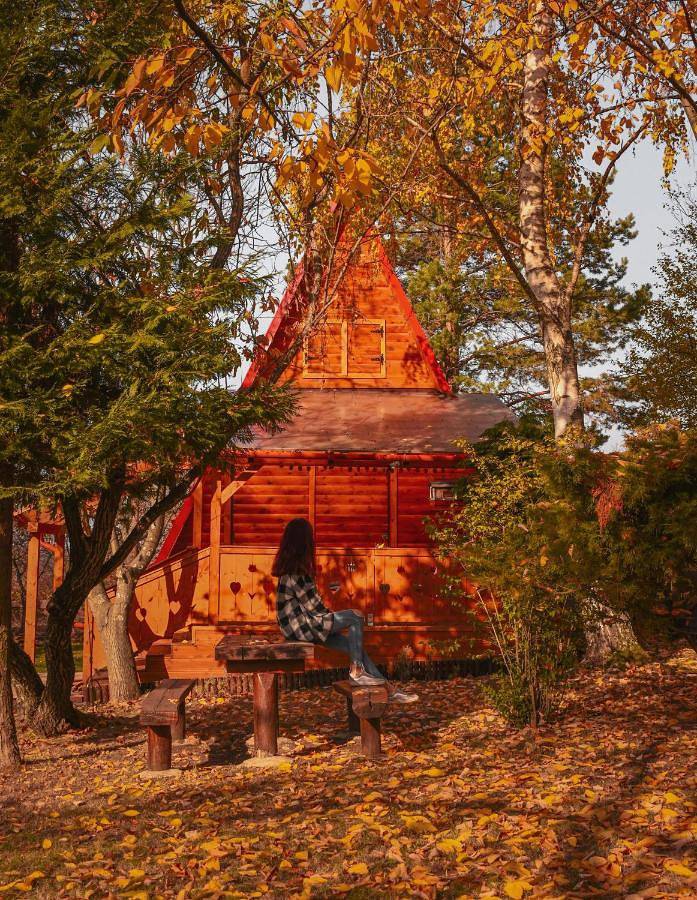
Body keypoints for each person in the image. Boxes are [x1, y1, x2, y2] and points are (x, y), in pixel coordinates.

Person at [272, 517, 418, 702]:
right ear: (303, 543)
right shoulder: (297, 574)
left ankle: (389, 690)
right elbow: (316, 608)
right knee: (355, 616)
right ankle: (356, 672)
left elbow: (313, 608)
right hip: (302, 627)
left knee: (354, 646)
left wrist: (333, 623)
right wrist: (335, 623)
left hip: (298, 627)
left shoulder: (291, 571)